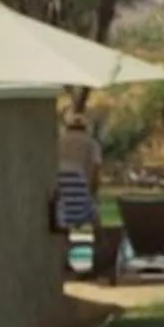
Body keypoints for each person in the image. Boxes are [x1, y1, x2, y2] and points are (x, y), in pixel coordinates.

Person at [52, 92, 102, 243]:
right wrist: (93, 195)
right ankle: (100, 251)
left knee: (62, 216)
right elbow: (96, 174)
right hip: (81, 197)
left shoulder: (58, 143)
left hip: (61, 202)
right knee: (96, 215)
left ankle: (64, 254)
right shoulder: (91, 144)